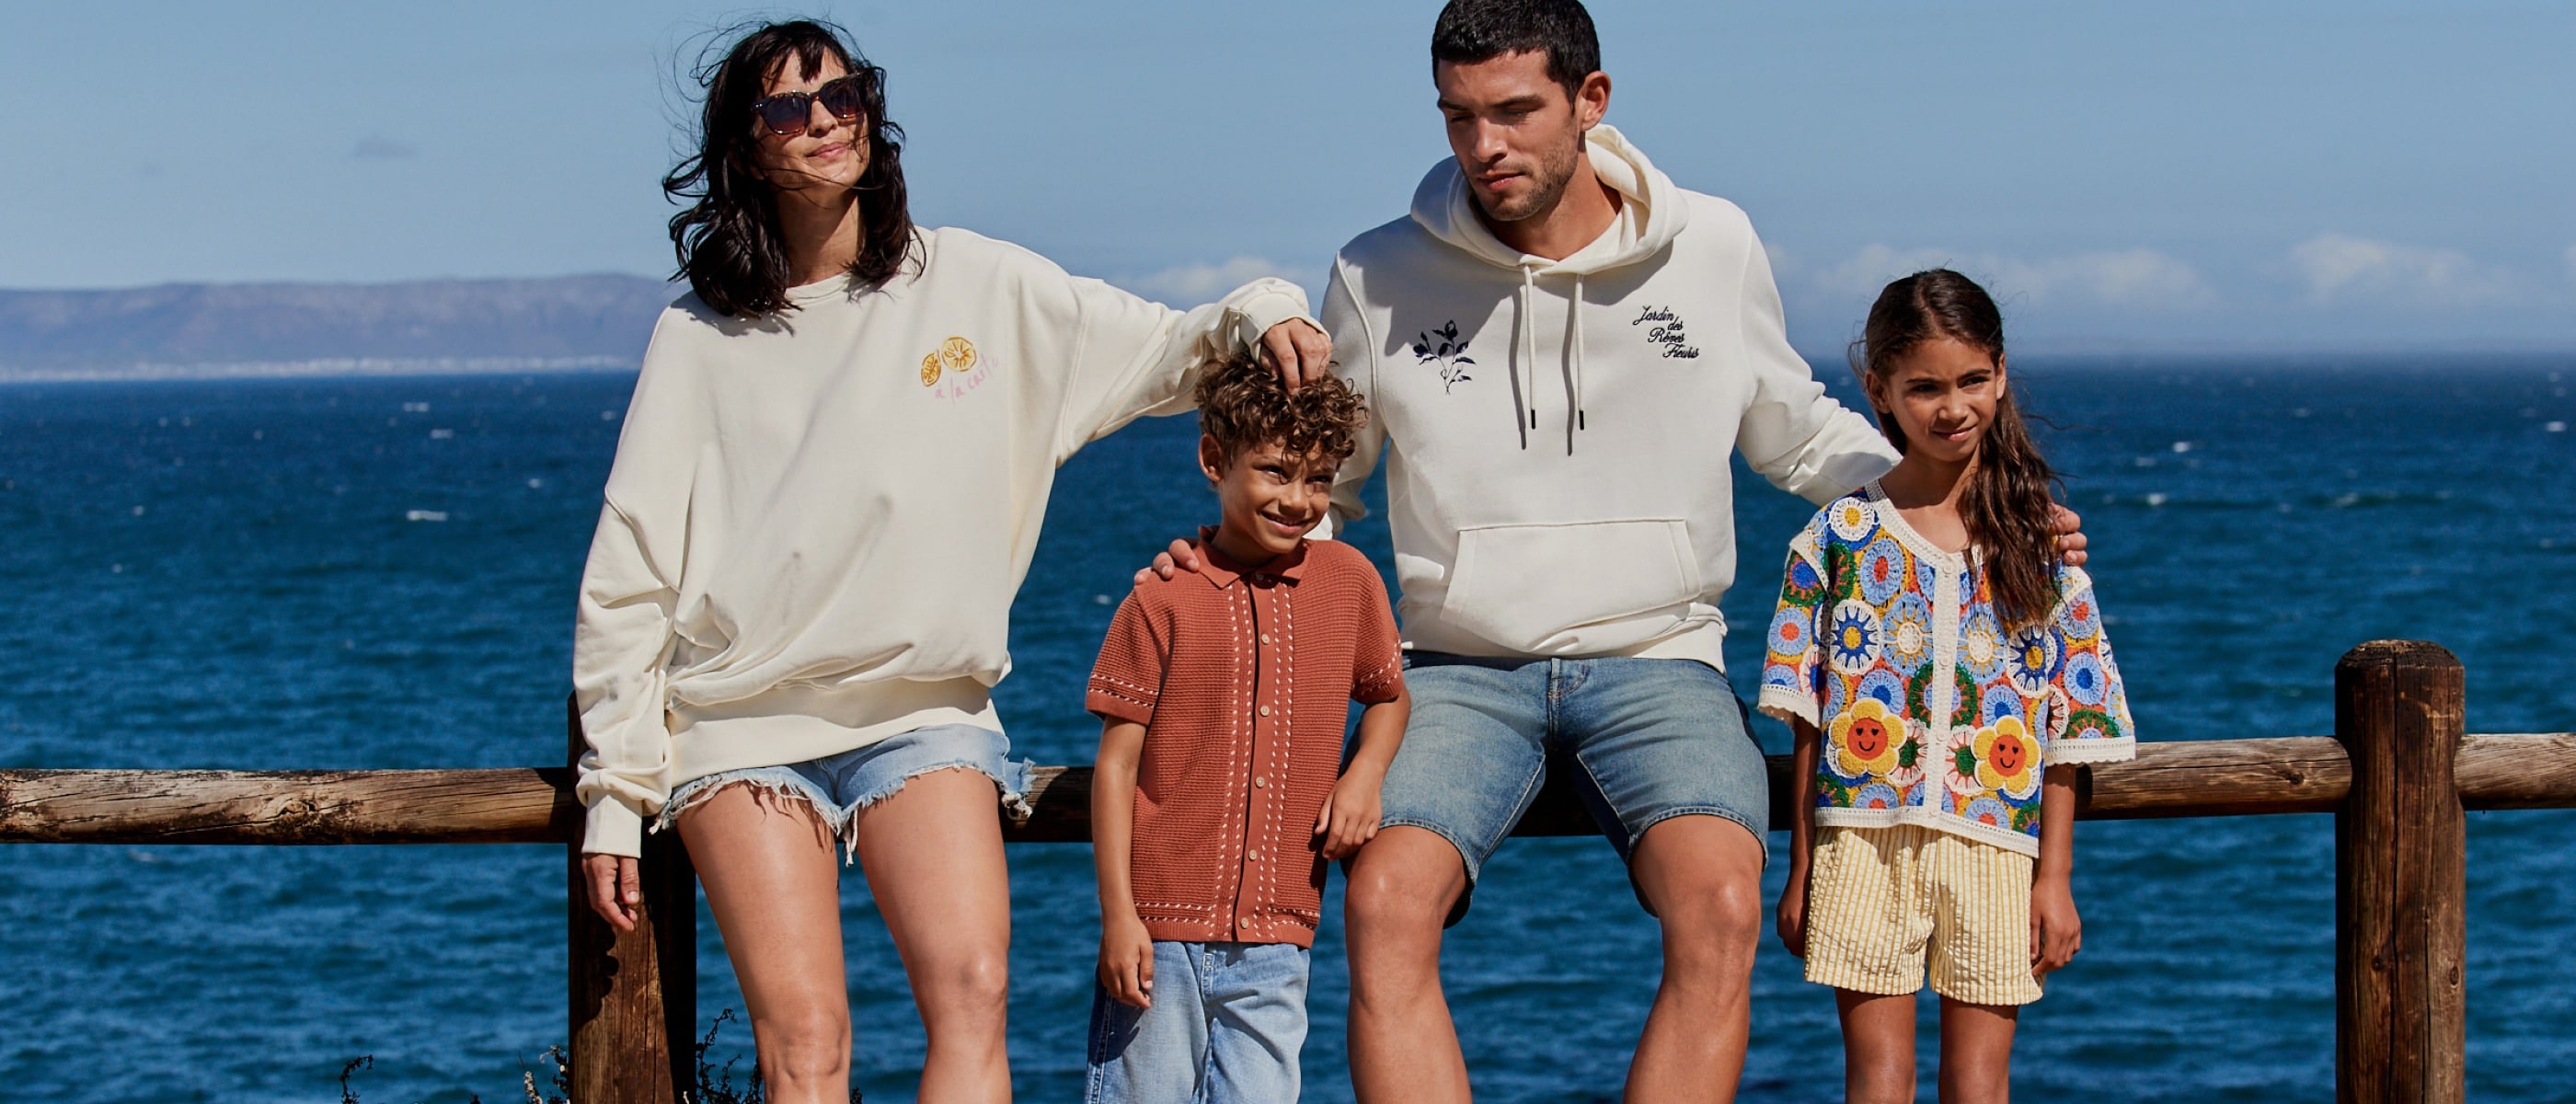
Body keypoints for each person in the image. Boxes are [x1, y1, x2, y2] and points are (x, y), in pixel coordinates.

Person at [1143, 2, 2087, 1100]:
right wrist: (1218, 568)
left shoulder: (1713, 244)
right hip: (1454, 671)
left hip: (1661, 659)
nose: (1483, 145)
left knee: (1722, 905)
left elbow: (1795, 434)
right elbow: (1326, 488)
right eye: (1457, 117)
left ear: (1590, 100)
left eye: (1513, 112)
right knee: (1384, 904)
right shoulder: (1376, 271)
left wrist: (1968, 507)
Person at [569, 20, 1331, 1104]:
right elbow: (631, 571)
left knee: (974, 994)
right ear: (746, 148)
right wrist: (614, 795)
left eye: (843, 95)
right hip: (742, 723)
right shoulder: (699, 337)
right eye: (788, 108)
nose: (825, 122)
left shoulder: (976, 283)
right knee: (806, 1044)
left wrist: (1268, 310)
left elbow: (1174, 349)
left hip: (926, 711)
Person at [1762, 269, 2136, 1104]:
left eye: (1971, 380)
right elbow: (1809, 719)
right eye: (1924, 388)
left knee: (1978, 1083)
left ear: (2000, 375)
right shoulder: (1838, 538)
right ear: (1879, 391)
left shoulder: (2040, 550)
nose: (1952, 407)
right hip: (1859, 842)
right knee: (1878, 1081)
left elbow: (2068, 729)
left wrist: (2055, 878)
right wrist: (1802, 867)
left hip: (1997, 845)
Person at [1082, 355, 1409, 1103]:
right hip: (1156, 937)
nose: (1298, 499)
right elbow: (1115, 768)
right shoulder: (1162, 600)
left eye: (1318, 479)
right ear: (1214, 460)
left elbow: (1390, 697)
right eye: (1274, 472)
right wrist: (1119, 917)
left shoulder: (1350, 582)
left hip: (1279, 941)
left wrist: (1364, 775)